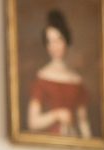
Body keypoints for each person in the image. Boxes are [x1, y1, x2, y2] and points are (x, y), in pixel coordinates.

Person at [26, 9, 91, 138]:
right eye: (49, 42)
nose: (53, 47)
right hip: (49, 141)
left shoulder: (76, 80)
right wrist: (57, 115)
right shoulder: (42, 78)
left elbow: (83, 122)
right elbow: (32, 122)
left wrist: (88, 142)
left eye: (57, 40)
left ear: (66, 41)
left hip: (72, 140)